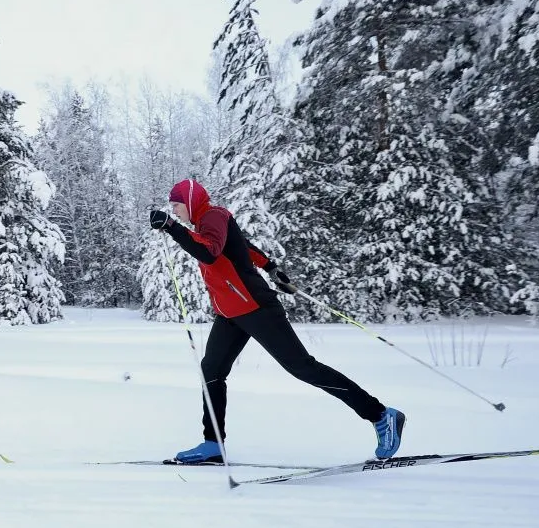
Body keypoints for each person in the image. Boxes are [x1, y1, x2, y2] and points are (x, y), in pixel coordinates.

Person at [149, 178, 404, 463]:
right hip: (230, 313)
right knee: (212, 369)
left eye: (177, 204)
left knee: (303, 368)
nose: (174, 210)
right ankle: (213, 444)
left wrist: (172, 228)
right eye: (171, 207)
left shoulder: (213, 216)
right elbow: (240, 246)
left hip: (256, 308)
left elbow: (209, 251)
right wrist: (270, 266)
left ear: (192, 200)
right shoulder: (206, 223)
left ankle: (381, 416)